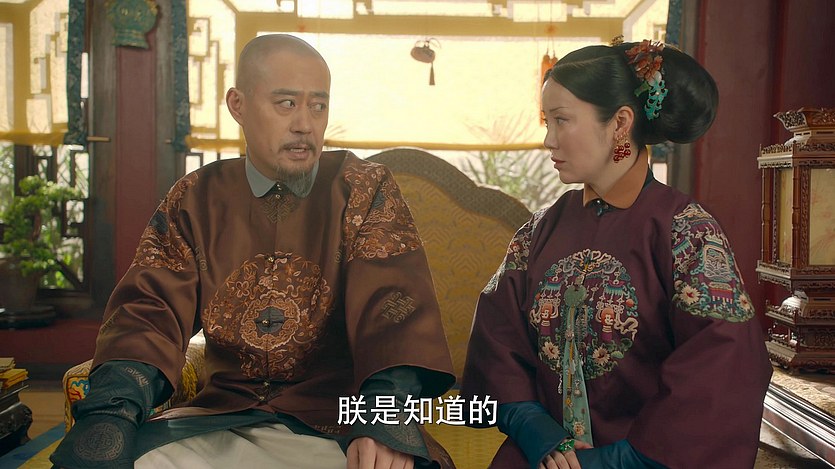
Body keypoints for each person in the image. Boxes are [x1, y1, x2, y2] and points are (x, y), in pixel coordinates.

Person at [51, 34, 456, 469]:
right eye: (286, 103)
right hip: (221, 418)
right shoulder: (196, 197)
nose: (305, 124)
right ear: (238, 105)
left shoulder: (362, 188)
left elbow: (393, 309)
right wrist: (113, 410)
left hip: (339, 424)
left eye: (318, 106)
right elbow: (149, 311)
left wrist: (384, 418)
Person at [460, 39, 772, 469]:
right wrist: (532, 425)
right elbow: (497, 342)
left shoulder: (687, 231)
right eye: (547, 122)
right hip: (544, 459)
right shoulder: (537, 232)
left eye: (561, 120)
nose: (548, 140)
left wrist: (623, 459)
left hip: (650, 459)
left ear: (620, 123)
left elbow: (723, 364)